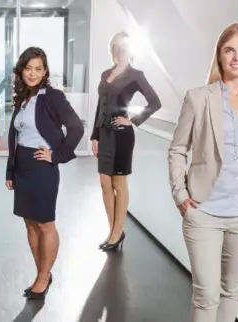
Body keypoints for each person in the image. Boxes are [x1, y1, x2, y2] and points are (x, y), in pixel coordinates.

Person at [167, 23, 238, 322]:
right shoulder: (198, 97)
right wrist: (180, 195)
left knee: (232, 291)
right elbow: (178, 149)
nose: (237, 57)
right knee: (206, 297)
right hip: (204, 212)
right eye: (230, 49)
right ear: (219, 55)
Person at [5, 46, 83, 300]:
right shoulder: (22, 97)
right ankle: (43, 273)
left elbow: (75, 128)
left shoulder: (52, 96)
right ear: (22, 70)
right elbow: (14, 135)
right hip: (23, 166)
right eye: (28, 68)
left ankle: (43, 276)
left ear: (45, 71)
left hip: (42, 166)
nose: (32, 73)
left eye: (38, 69)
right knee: (29, 223)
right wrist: (10, 171)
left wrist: (56, 155)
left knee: (44, 223)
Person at [90, 32, 162, 252]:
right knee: (105, 183)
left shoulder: (135, 75)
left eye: (123, 47)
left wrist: (132, 120)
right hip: (104, 133)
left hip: (122, 135)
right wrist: (94, 135)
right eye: (116, 47)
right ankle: (115, 231)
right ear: (112, 49)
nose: (119, 51)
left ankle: (116, 232)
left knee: (119, 185)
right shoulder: (105, 74)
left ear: (129, 50)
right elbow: (100, 105)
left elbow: (155, 102)